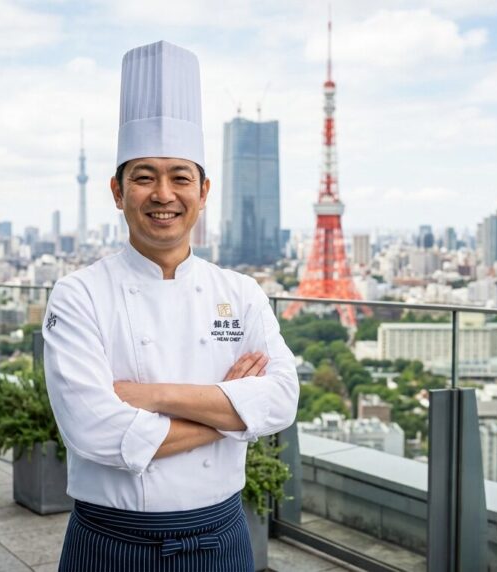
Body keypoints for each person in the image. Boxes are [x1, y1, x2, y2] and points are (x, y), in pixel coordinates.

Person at [42, 40, 299, 571]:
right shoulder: (78, 294)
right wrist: (232, 414)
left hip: (222, 537)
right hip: (112, 543)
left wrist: (150, 395)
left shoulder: (242, 291)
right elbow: (96, 430)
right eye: (144, 177)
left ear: (204, 191)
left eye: (180, 177)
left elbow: (280, 402)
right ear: (117, 191)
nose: (164, 194)